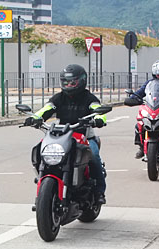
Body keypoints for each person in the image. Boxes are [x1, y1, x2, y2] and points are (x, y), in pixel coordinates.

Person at [24, 64, 108, 204]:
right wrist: (35, 118)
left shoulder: (88, 98)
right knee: (41, 149)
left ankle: (99, 191)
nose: (68, 85)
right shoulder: (58, 98)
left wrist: (99, 119)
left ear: (81, 81)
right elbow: (46, 110)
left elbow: (98, 109)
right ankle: (42, 176)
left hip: (84, 136)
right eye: (65, 82)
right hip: (62, 135)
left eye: (72, 82)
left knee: (93, 156)